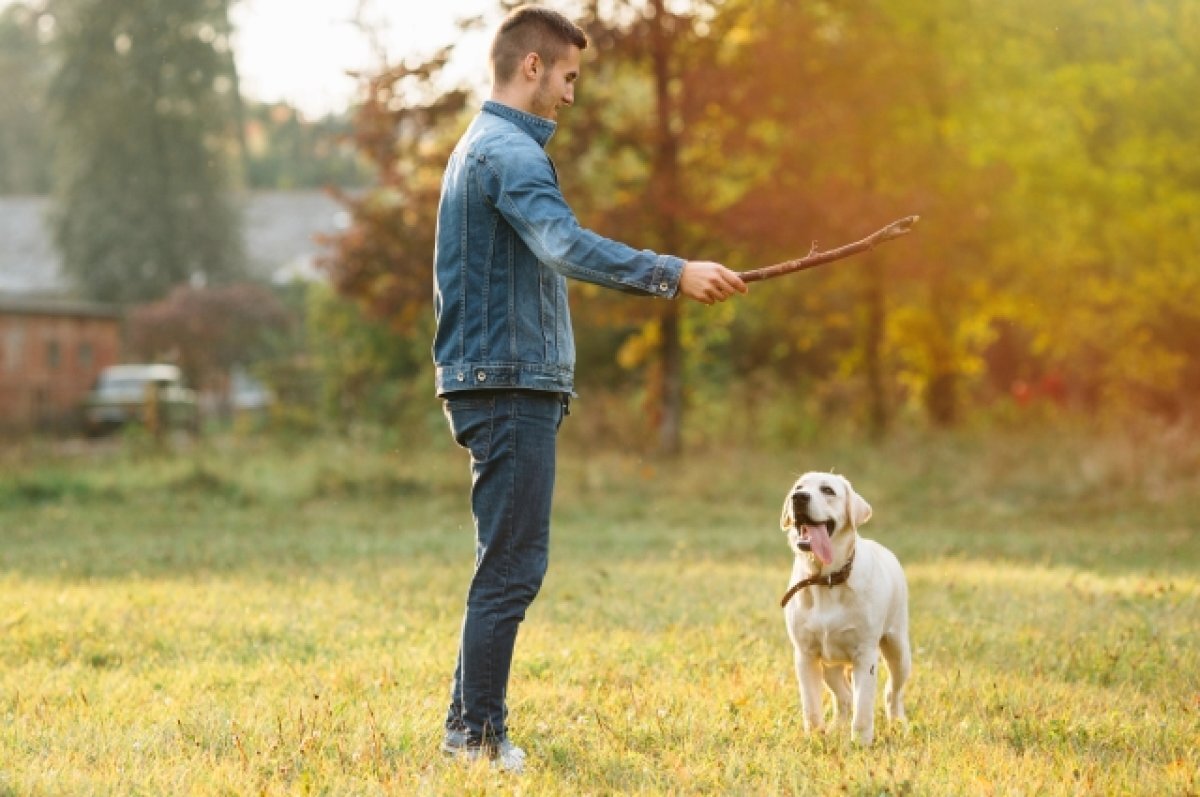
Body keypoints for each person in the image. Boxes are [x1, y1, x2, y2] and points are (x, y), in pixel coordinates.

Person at [432, 4, 746, 772]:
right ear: (532, 66)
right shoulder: (508, 152)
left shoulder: (486, 148)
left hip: (500, 381)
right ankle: (476, 738)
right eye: (569, 76)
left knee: (502, 561)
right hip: (508, 385)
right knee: (512, 567)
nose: (573, 94)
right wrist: (673, 272)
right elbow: (565, 245)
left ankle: (467, 725)